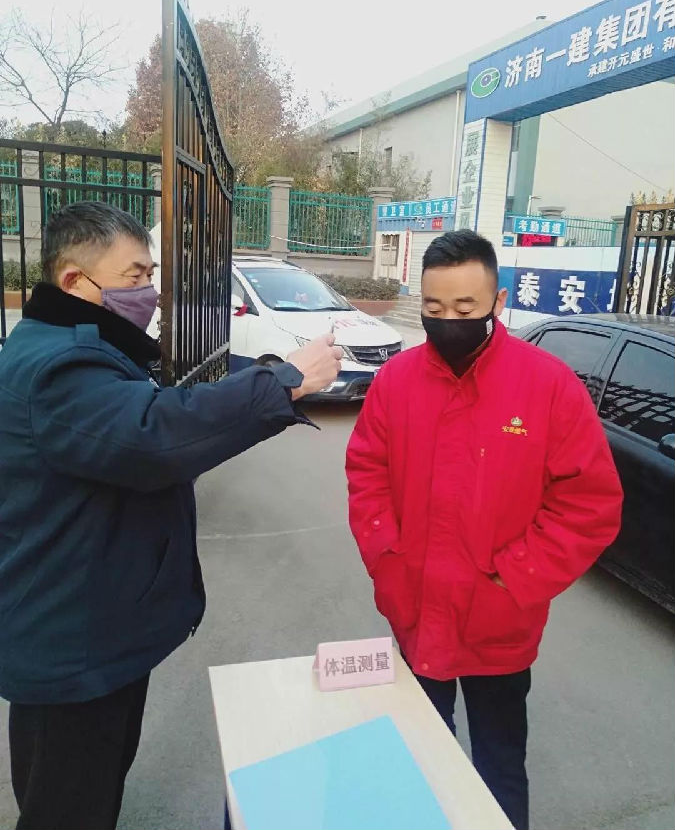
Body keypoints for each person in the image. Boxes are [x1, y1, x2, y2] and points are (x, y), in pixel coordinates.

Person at [0, 201, 342, 830]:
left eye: (150, 274)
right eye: (133, 276)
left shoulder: (77, 344)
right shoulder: (59, 367)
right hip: (72, 645)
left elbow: (156, 409)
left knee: (87, 791)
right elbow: (154, 434)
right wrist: (284, 383)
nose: (149, 292)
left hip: (86, 628)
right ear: (74, 280)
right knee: (67, 806)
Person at [346, 230, 623, 830]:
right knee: (421, 754)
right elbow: (366, 471)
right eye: (434, 307)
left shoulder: (548, 386)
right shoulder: (397, 380)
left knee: (498, 764)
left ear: (497, 302)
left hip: (499, 621)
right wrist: (387, 554)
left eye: (464, 308)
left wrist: (515, 574)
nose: (448, 322)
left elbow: (589, 502)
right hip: (415, 608)